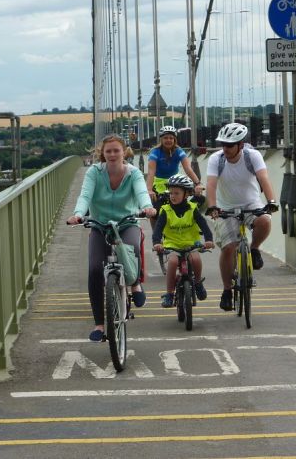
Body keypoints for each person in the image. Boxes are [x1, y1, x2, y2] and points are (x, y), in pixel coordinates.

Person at [67, 134, 157, 341]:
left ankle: (134, 283)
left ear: (124, 152)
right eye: (108, 151)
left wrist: (147, 207)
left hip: (127, 223)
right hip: (100, 225)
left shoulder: (133, 173)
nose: (113, 154)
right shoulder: (94, 173)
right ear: (102, 154)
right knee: (94, 270)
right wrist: (79, 214)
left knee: (132, 247)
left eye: (116, 150)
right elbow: (85, 195)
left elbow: (142, 192)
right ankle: (99, 324)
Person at [205, 123, 279, 311]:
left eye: (230, 145)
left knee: (264, 220)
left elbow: (264, 178)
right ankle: (227, 290)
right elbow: (211, 185)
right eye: (223, 144)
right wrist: (212, 206)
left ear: (241, 145)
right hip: (225, 207)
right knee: (229, 247)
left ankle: (254, 249)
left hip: (250, 203)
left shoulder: (252, 156)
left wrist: (271, 201)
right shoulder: (216, 159)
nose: (225, 149)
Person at [152, 175, 214, 308]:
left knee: (196, 259)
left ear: (186, 194)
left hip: (190, 244)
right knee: (173, 262)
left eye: (177, 193)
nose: (173, 196)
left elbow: (203, 225)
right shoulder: (165, 210)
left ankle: (197, 283)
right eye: (171, 193)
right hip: (172, 245)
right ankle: (169, 293)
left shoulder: (193, 209)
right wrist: (157, 243)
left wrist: (209, 240)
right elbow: (158, 229)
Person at [147, 125, 204, 208]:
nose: (168, 140)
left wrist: (198, 184)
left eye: (171, 138)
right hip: (158, 184)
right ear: (161, 140)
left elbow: (188, 169)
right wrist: (149, 189)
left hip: (174, 182)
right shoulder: (155, 152)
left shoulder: (179, 151)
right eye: (165, 138)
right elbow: (151, 172)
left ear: (174, 140)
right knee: (155, 209)